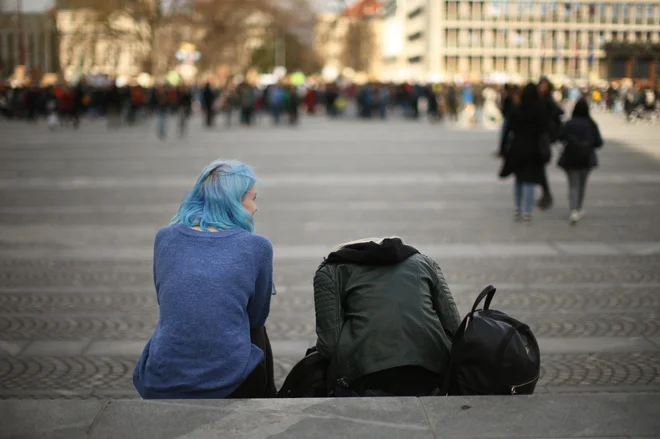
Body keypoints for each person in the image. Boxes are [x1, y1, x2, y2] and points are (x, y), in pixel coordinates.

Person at [133, 160, 276, 399]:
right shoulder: (257, 246)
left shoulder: (165, 238)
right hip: (232, 381)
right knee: (255, 329)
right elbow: (258, 315)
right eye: (252, 199)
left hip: (161, 378)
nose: (255, 208)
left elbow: (166, 299)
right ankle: (269, 396)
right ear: (234, 202)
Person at [313, 237, 461, 397]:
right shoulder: (424, 263)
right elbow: (456, 330)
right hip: (432, 372)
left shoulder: (330, 272)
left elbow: (329, 346)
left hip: (364, 377)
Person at [499, 83, 549, 223]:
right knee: (530, 180)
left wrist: (503, 149)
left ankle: (517, 208)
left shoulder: (517, 109)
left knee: (519, 179)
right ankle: (527, 210)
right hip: (533, 149)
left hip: (517, 148)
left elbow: (507, 130)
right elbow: (545, 130)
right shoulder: (539, 110)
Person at [558, 99, 604, 225]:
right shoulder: (591, 124)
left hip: (570, 158)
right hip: (587, 158)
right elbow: (599, 142)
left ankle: (573, 209)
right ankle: (578, 207)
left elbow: (561, 137)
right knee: (582, 184)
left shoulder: (569, 123)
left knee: (573, 185)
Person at [537, 77, 564, 211]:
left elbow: (559, 112)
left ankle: (546, 194)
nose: (542, 88)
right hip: (539, 137)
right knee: (539, 168)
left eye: (544, 86)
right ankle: (545, 194)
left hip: (544, 138)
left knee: (540, 167)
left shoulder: (548, 100)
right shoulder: (538, 100)